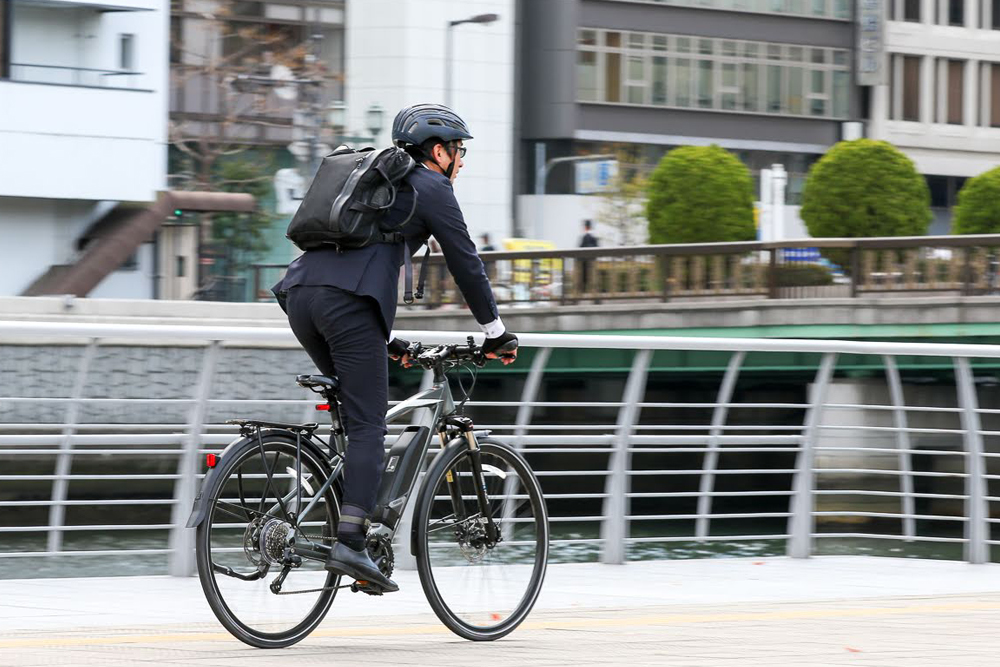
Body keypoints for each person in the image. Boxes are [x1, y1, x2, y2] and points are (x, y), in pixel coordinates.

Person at [271, 104, 518, 592]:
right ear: (439, 151)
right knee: (370, 425)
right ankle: (350, 543)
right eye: (459, 151)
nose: (461, 162)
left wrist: (388, 340)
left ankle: (346, 523)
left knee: (351, 413)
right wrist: (495, 332)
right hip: (348, 304)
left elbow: (357, 259)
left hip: (300, 295)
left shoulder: (382, 180)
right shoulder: (429, 185)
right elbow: (466, 262)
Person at [578, 220, 599, 293]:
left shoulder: (586, 237)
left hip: (585, 261)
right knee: (592, 279)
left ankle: (584, 291)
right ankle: (593, 293)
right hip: (591, 260)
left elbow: (580, 248)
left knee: (585, 278)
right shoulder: (593, 237)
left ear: (586, 227)